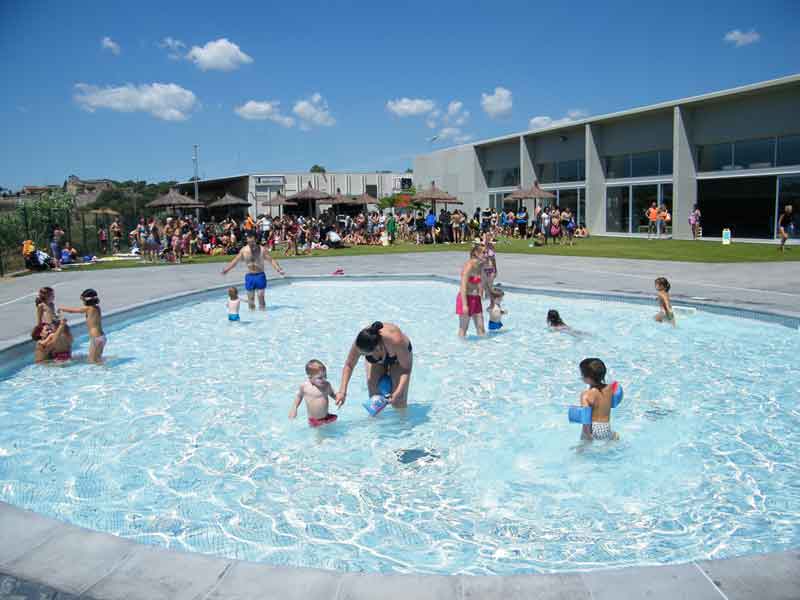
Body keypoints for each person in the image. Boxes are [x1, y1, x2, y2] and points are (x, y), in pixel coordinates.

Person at [336, 322, 413, 409]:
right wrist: (342, 392)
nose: (365, 356)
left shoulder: (396, 341)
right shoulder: (360, 343)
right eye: (364, 355)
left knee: (399, 400)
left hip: (398, 360)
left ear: (377, 348)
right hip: (376, 358)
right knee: (374, 398)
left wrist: (398, 392)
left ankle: (403, 421)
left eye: (368, 354)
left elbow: (406, 370)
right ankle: (376, 421)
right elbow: (349, 365)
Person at [221, 232, 285, 310]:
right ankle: (253, 317)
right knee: (251, 301)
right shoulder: (244, 250)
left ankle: (263, 316)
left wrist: (279, 269)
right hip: (250, 277)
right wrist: (227, 269)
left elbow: (271, 260)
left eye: (252, 242)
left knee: (261, 299)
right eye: (248, 242)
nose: (250, 244)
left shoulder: (262, 250)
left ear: (256, 240)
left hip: (260, 276)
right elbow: (235, 261)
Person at [59, 289, 106, 363]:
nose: (83, 302)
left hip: (95, 337)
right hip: (102, 337)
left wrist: (62, 309)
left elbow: (73, 311)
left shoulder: (88, 308)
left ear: (86, 300)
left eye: (83, 300)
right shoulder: (97, 308)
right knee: (98, 359)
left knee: (92, 360)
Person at [577, 358, 619, 441]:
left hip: (593, 429)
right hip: (606, 427)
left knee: (581, 450)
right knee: (614, 436)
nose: (581, 376)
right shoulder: (610, 388)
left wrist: (587, 436)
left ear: (588, 378)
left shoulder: (586, 395)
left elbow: (586, 419)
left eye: (582, 374)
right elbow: (616, 387)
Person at [289, 359, 338, 427]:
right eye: (320, 378)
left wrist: (338, 398)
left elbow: (332, 394)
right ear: (310, 377)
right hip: (314, 420)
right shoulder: (305, 387)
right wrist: (294, 408)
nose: (324, 379)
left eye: (325, 376)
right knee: (318, 436)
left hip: (326, 417)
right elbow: (299, 396)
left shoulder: (327, 385)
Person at [457, 245, 486, 337]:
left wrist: (482, 292)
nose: (486, 255)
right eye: (484, 253)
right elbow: (463, 286)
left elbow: (480, 282)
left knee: (481, 328)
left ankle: (484, 349)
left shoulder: (480, 265)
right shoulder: (469, 266)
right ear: (476, 253)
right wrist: (465, 305)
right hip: (466, 299)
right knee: (463, 329)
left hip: (476, 299)